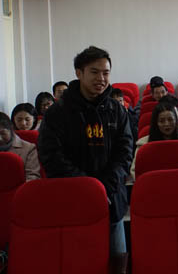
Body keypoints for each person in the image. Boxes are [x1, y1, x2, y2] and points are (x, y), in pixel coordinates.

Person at [38, 46, 133, 256]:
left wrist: (105, 188)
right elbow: (51, 156)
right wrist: (87, 188)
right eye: (94, 72)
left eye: (106, 73)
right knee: (79, 261)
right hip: (73, 202)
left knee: (117, 262)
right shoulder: (58, 112)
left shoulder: (117, 110)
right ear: (79, 73)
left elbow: (125, 152)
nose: (101, 78)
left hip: (112, 202)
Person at [130, 102, 178, 180]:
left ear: (176, 121)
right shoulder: (143, 145)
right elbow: (136, 171)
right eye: (161, 121)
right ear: (156, 123)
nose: (166, 124)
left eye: (170, 120)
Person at [0, 112, 41, 181]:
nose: (0, 138)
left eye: (3, 133)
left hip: (21, 187)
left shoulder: (29, 148)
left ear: (11, 129)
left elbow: (32, 177)